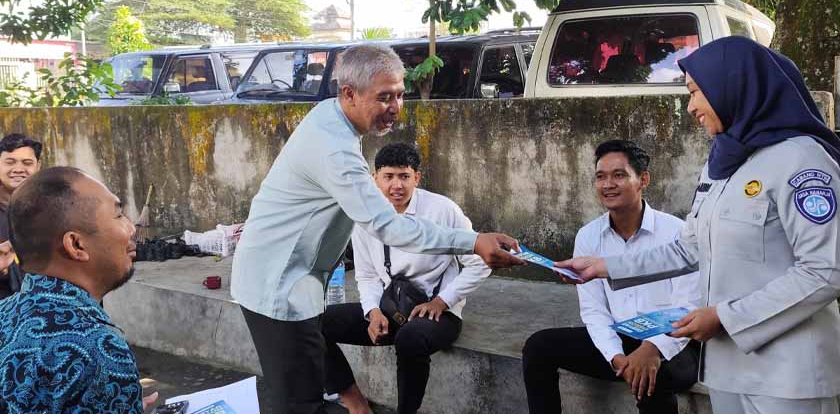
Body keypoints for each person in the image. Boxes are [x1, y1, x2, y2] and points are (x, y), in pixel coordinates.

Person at [230, 44, 524, 414]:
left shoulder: (330, 117)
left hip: (284, 278)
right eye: (383, 97)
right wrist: (473, 241)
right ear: (348, 93)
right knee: (298, 402)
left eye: (400, 95)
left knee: (294, 393)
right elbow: (388, 228)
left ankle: (356, 404)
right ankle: (353, 405)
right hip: (277, 284)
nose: (395, 108)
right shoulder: (336, 150)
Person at [557, 36, 840, 414]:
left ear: (732, 85)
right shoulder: (722, 162)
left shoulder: (802, 160)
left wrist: (725, 317)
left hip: (788, 373)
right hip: (727, 368)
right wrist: (604, 267)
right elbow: (689, 247)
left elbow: (825, 270)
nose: (690, 107)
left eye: (694, 92)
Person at [522, 140, 701, 414]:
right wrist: (616, 357)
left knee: (652, 377)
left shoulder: (678, 233)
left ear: (643, 180)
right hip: (621, 337)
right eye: (600, 177)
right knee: (538, 347)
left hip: (674, 342)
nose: (608, 185)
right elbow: (594, 310)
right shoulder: (588, 236)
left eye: (619, 175)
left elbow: (689, 306)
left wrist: (652, 349)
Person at [322, 142, 491, 414]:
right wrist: (372, 311)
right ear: (374, 178)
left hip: (437, 314)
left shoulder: (443, 210)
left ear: (417, 178)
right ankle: (355, 403)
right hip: (391, 307)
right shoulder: (365, 216)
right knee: (313, 324)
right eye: (388, 176)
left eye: (404, 176)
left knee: (410, 339)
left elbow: (480, 262)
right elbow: (365, 274)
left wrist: (442, 301)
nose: (396, 185)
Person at [0, 167, 158, 412]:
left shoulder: (5, 312)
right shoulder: (98, 348)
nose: (131, 227)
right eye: (118, 216)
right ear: (76, 245)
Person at [0, 132, 43, 299]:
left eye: (27, 163)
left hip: (42, 311)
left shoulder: (52, 210)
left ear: (38, 166)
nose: (18, 169)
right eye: (10, 162)